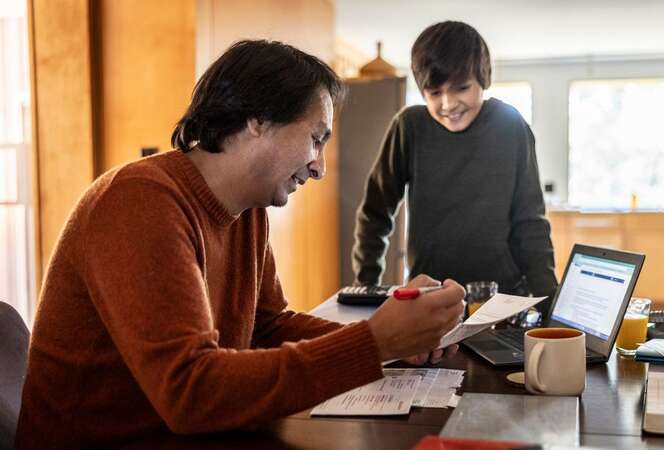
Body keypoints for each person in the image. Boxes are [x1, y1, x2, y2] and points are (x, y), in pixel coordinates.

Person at [15, 40, 463, 450]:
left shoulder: (247, 211)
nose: (319, 167)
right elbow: (191, 392)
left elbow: (266, 328)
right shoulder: (139, 202)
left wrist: (394, 338)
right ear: (258, 119)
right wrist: (372, 344)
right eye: (315, 138)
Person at [352, 21, 558, 313]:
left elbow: (531, 223)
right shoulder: (409, 127)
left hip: (503, 300)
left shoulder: (511, 126)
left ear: (483, 79)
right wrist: (367, 287)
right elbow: (375, 213)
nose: (449, 103)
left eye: (461, 88)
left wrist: (549, 302)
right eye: (435, 92)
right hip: (429, 297)